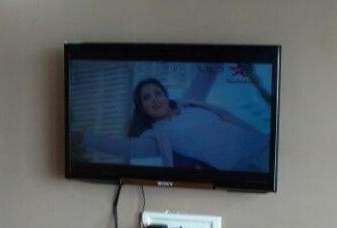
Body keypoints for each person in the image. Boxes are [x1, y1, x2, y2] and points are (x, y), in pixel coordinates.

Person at [86, 65, 269, 171]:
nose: (154, 99)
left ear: (166, 96)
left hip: (261, 144)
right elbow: (122, 147)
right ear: (142, 108)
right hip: (243, 168)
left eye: (158, 93)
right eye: (146, 98)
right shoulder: (157, 135)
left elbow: (207, 73)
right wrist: (83, 138)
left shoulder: (190, 103)